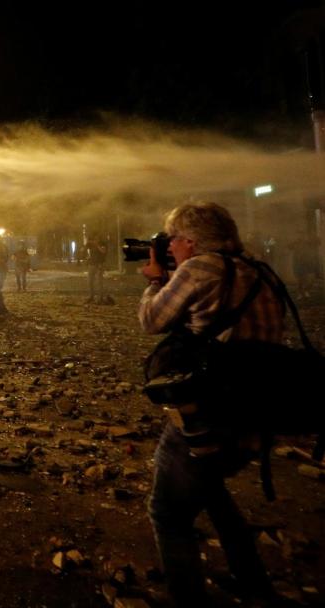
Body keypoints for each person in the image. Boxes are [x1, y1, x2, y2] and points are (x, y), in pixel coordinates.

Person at [138, 202, 285, 606]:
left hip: (208, 414)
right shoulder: (259, 270)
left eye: (173, 240)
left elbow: (152, 320)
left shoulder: (200, 268)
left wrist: (156, 280)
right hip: (256, 413)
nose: (170, 247)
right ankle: (253, 583)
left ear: (190, 241)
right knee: (211, 490)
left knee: (168, 514)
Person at [84, 233, 108, 304]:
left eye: (97, 238)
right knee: (90, 281)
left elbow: (103, 251)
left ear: (99, 238)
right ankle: (91, 296)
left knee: (99, 281)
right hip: (92, 264)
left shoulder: (102, 244)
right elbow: (84, 249)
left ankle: (100, 298)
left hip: (99, 265)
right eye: (94, 238)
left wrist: (97, 245)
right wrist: (87, 243)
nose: (95, 240)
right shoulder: (91, 244)